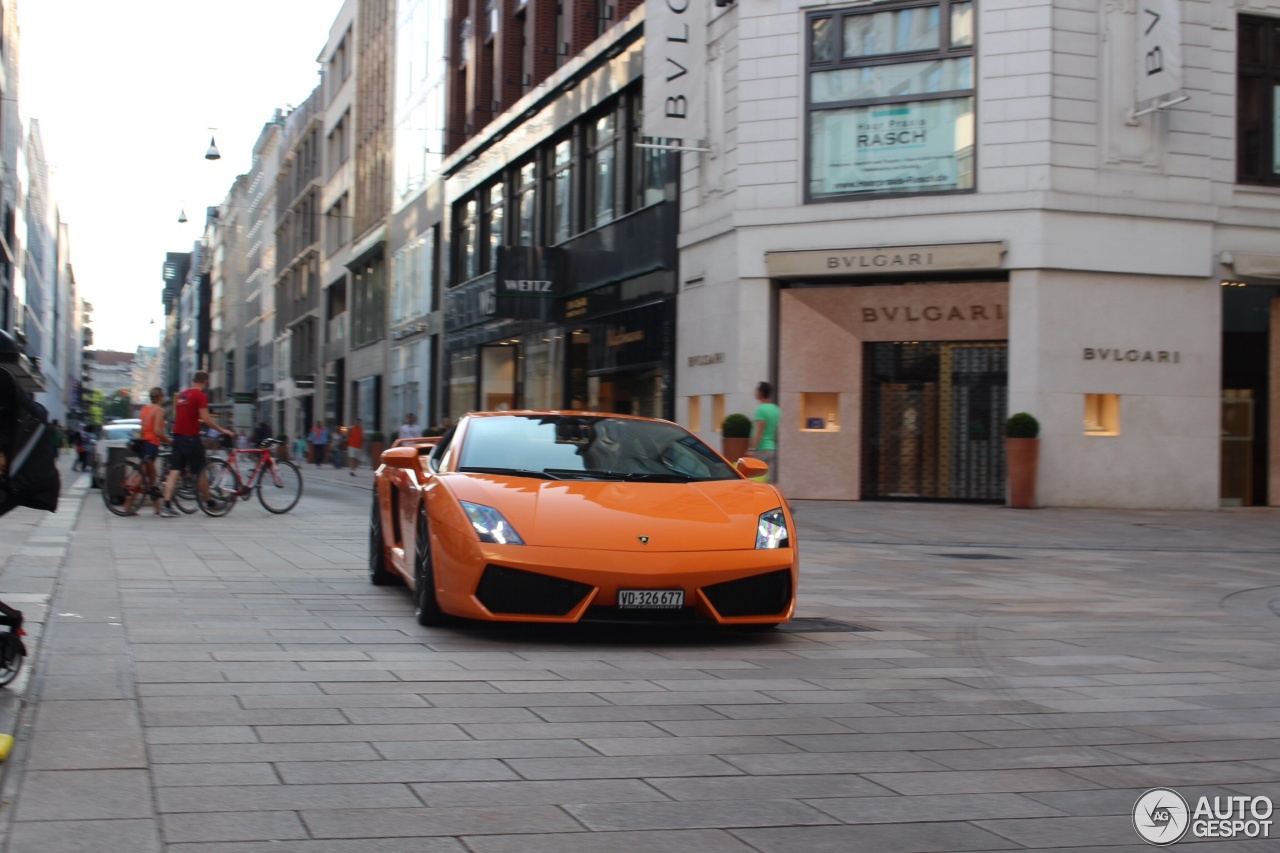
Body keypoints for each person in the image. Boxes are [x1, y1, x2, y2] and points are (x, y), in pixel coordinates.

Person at [161, 371, 235, 516]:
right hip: (191, 439)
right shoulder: (201, 396)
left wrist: (197, 420)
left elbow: (188, 416)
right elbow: (206, 419)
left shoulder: (182, 395)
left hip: (178, 437)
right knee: (200, 471)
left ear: (193, 380)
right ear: (206, 382)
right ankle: (209, 503)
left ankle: (166, 505)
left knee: (174, 471)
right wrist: (222, 430)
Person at [139, 387, 171, 515]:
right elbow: (158, 431)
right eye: (163, 395)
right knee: (143, 476)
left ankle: (157, 507)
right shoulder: (159, 411)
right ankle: (128, 504)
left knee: (152, 476)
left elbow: (144, 428)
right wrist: (170, 441)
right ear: (160, 397)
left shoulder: (144, 409)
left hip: (143, 443)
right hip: (152, 445)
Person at [747, 380, 780, 484]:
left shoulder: (761, 409)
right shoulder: (776, 409)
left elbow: (759, 431)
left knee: (756, 480)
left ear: (761, 393)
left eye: (757, 390)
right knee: (771, 481)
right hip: (773, 448)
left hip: (761, 449)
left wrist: (752, 448)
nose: (755, 392)